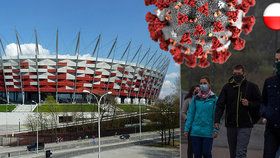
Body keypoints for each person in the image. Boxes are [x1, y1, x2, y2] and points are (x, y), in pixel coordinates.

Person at [214, 64, 261, 158]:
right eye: (235, 73)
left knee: (241, 153)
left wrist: (249, 104)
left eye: (239, 73)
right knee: (233, 153)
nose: (237, 75)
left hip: (245, 125)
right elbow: (220, 105)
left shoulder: (252, 87)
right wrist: (217, 119)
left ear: (244, 73)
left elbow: (260, 103)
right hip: (231, 125)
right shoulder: (227, 87)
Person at [184, 76, 218, 158]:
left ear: (209, 85)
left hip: (208, 132)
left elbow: (216, 115)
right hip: (195, 131)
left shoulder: (214, 99)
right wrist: (187, 128)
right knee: (197, 154)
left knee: (206, 152)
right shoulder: (195, 99)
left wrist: (216, 129)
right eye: (201, 83)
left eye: (205, 83)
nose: (202, 85)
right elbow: (191, 114)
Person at [261, 48, 280, 158]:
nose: (277, 63)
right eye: (276, 60)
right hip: (271, 129)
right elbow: (263, 102)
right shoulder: (269, 82)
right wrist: (266, 113)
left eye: (279, 60)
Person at [182, 85, 200, 158]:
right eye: (195, 90)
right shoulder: (188, 100)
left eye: (198, 90)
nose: (197, 91)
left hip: (199, 125)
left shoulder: (202, 99)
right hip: (191, 126)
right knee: (191, 146)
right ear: (192, 91)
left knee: (198, 146)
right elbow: (183, 112)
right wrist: (187, 119)